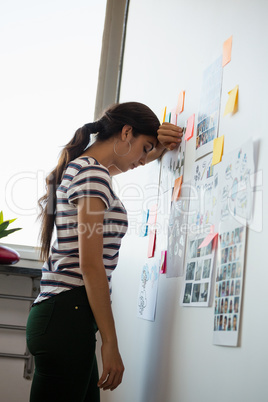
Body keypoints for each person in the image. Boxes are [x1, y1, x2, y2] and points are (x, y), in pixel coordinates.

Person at [26, 102, 183, 402]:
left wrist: (158, 146)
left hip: (65, 315)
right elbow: (91, 265)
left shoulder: (85, 170)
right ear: (126, 132)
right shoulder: (91, 175)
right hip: (66, 313)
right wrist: (110, 342)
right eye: (145, 147)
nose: (144, 158)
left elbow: (129, 160)